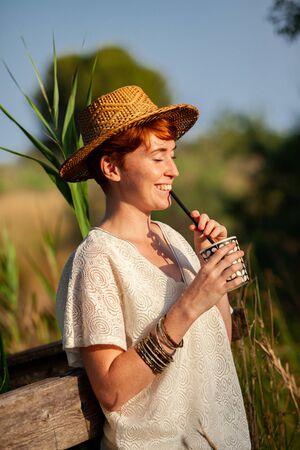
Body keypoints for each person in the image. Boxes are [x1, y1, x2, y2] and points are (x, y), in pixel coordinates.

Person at [56, 85, 251, 449]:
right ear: (112, 167)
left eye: (173, 155)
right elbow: (112, 392)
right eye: (158, 157)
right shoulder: (96, 260)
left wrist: (212, 270)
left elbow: (215, 345)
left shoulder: (173, 241)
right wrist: (191, 301)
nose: (173, 170)